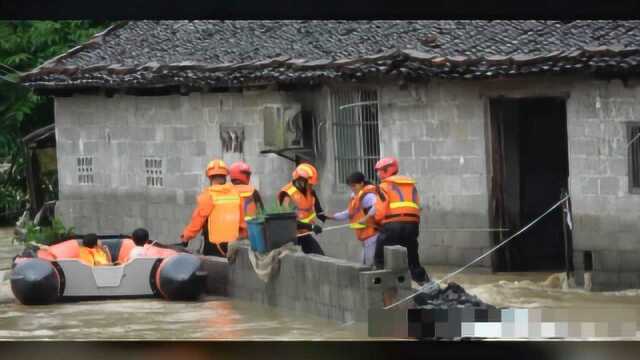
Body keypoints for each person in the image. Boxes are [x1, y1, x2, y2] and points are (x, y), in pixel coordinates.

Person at [372, 157, 430, 284]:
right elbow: (417, 206)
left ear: (387, 170)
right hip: (412, 224)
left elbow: (380, 211)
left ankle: (378, 283)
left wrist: (376, 223)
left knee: (381, 255)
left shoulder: (383, 186)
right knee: (412, 256)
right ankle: (426, 284)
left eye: (379, 171)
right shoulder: (411, 186)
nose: (378, 174)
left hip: (392, 225)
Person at [180, 160, 244, 257]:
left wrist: (185, 238)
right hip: (235, 246)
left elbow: (197, 223)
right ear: (226, 176)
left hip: (215, 247)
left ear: (209, 177)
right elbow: (243, 221)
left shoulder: (208, 196)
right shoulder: (237, 194)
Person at [327, 171, 379, 267]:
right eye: (350, 186)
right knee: (365, 264)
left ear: (362, 183)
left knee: (369, 264)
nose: (352, 188)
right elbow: (349, 213)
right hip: (365, 235)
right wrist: (332, 217)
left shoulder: (368, 196)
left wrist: (366, 218)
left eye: (354, 186)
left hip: (372, 234)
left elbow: (377, 206)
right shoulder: (356, 197)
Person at [278, 164, 324, 255]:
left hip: (303, 235)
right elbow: (289, 221)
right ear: (300, 180)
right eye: (309, 183)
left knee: (320, 256)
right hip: (289, 238)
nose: (310, 186)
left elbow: (318, 211)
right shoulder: (287, 195)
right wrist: (311, 227)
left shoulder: (309, 192)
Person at [229, 161, 265, 239]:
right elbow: (262, 214)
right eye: (247, 174)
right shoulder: (253, 191)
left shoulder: (226, 192)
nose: (248, 177)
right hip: (251, 235)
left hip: (231, 237)